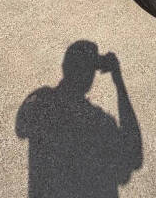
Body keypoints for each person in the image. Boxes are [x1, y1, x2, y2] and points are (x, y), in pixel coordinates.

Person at [16, 41, 143, 197]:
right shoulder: (102, 123)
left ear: (64, 68)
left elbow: (21, 129)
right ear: (90, 78)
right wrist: (118, 79)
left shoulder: (40, 98)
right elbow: (133, 160)